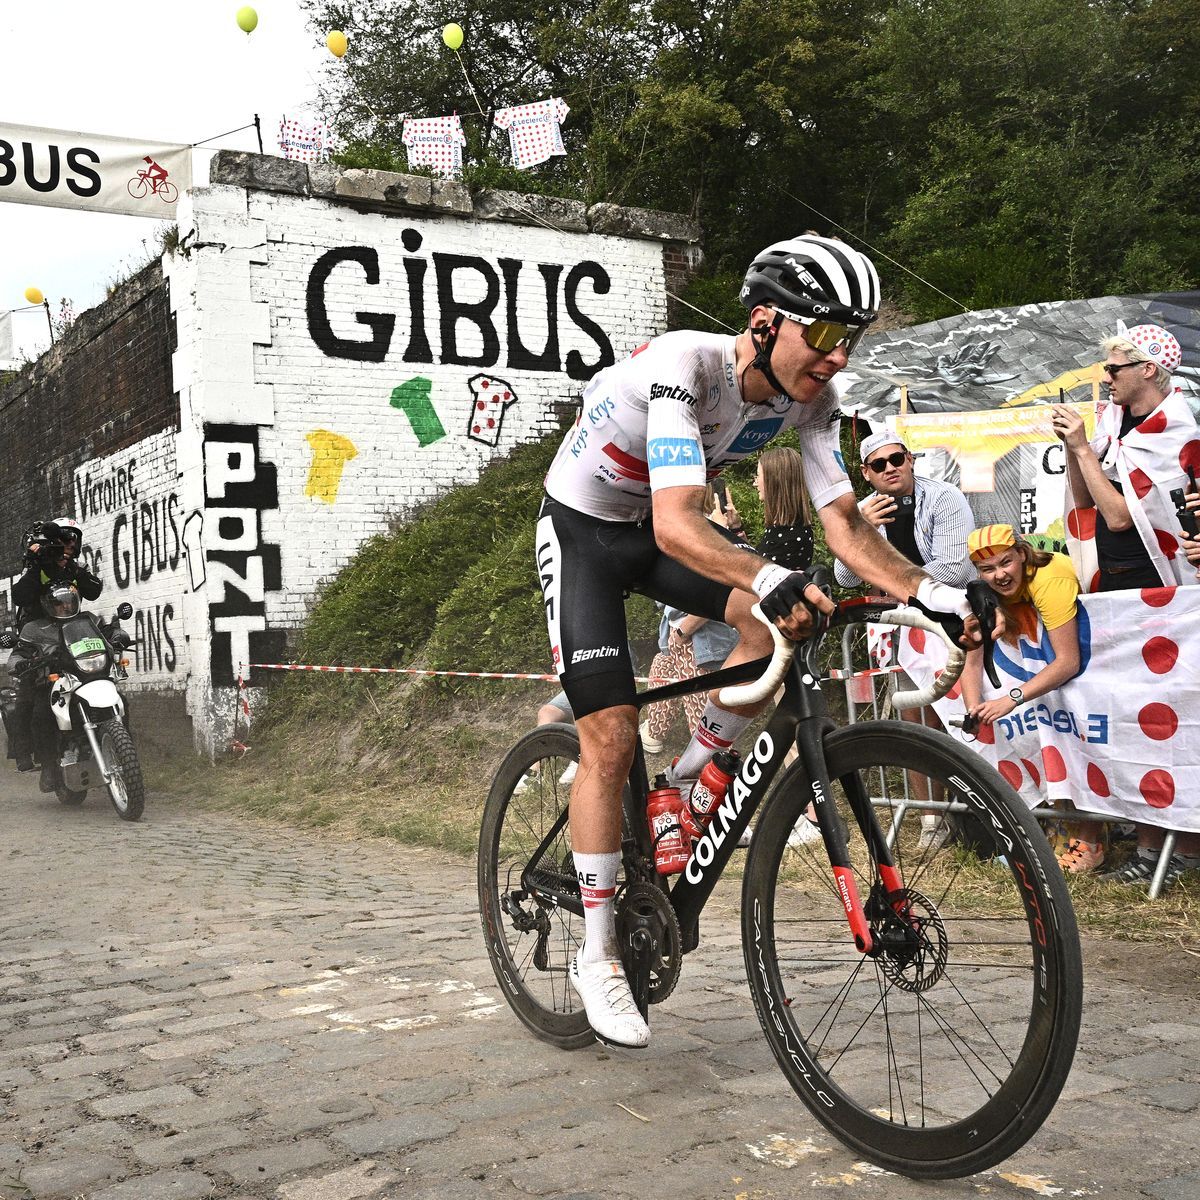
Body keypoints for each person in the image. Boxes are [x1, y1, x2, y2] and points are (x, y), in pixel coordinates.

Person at [536, 234, 989, 1048]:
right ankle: (597, 955)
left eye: (852, 337)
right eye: (824, 333)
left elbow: (844, 522)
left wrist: (931, 593)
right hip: (585, 535)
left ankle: (688, 779)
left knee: (771, 620)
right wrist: (769, 571)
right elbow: (678, 523)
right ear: (763, 322)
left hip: (654, 531)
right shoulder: (684, 367)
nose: (838, 355)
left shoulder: (812, 399)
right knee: (610, 738)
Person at [834, 432, 975, 848]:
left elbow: (954, 569)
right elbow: (845, 577)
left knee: (962, 716)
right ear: (866, 473)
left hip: (953, 624)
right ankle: (933, 819)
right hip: (906, 631)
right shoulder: (864, 511)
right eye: (879, 464)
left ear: (910, 459)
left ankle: (981, 812)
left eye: (896, 458)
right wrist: (863, 530)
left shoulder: (945, 498)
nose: (890, 468)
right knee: (915, 719)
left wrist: (891, 583)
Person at [959, 525, 1098, 872]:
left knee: (1076, 735)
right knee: (1042, 736)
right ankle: (1055, 830)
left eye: (1006, 562)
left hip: (1080, 662)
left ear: (1021, 554)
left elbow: (1068, 662)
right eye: (988, 569)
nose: (999, 575)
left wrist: (1011, 699)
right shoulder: (983, 591)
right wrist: (972, 708)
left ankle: (1093, 840)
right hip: (1043, 667)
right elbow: (972, 660)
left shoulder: (1049, 579)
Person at [1053, 323, 1199, 591]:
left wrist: (1083, 449)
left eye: (1114, 369)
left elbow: (1119, 519)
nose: (1106, 378)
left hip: (1153, 577)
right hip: (1109, 570)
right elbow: (1084, 500)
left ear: (1148, 369)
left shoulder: (1173, 433)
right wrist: (1072, 446)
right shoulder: (1113, 420)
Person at [8, 519, 101, 790]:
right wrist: (37, 565)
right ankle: (45, 763)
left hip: (74, 632)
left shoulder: (74, 568)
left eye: (73, 539)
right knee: (35, 703)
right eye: (64, 539)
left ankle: (111, 743)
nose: (69, 544)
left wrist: (74, 569)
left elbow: (94, 591)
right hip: (40, 637)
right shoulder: (38, 567)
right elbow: (20, 596)